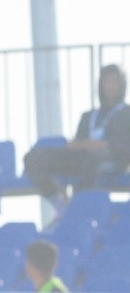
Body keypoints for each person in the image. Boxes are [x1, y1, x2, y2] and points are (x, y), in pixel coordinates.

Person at [22, 64, 130, 210]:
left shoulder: (127, 114)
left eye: (114, 81)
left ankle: (80, 209)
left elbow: (122, 148)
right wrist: (79, 145)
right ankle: (60, 204)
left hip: (109, 161)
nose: (110, 86)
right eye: (106, 81)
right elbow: (78, 143)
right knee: (34, 158)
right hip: (81, 157)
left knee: (89, 161)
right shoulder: (88, 116)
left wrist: (94, 145)